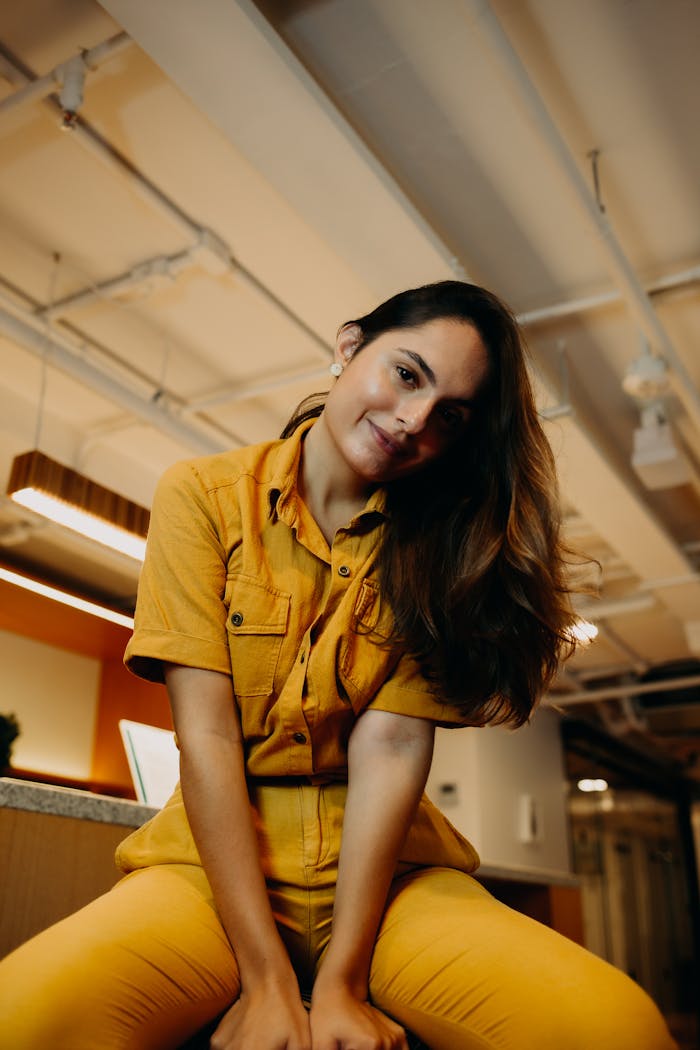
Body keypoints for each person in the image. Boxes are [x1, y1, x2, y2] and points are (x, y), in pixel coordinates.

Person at [0, 281, 677, 1050]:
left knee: (618, 1030)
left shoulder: (437, 551)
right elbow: (210, 740)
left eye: (449, 416)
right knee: (22, 1019)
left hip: (392, 879)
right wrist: (265, 981)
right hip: (210, 869)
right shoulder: (203, 497)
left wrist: (343, 983)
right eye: (408, 374)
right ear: (348, 347)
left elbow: (389, 748)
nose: (413, 419)